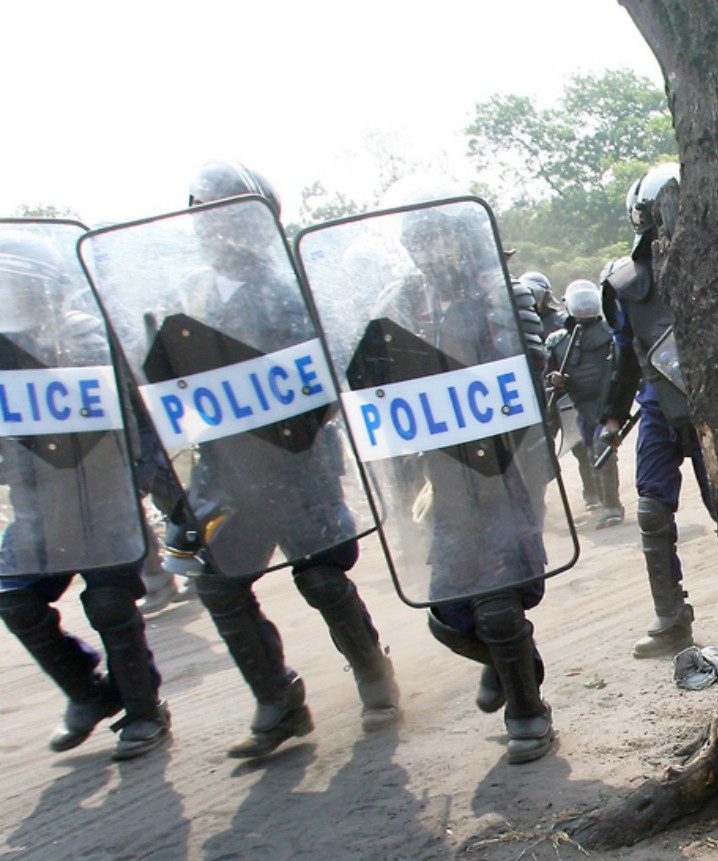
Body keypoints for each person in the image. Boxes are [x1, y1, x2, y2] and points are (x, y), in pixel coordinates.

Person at [161, 162, 400, 758]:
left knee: (321, 576)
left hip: (299, 466)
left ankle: (375, 675)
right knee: (218, 584)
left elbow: (327, 373)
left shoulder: (291, 290)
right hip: (228, 472)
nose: (215, 232)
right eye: (205, 220)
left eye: (228, 219)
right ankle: (278, 701)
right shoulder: (190, 295)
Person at [366, 182, 558, 764]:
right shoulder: (400, 298)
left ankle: (530, 712)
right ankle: (517, 663)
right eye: (422, 239)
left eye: (443, 237)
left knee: (497, 604)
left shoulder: (502, 293)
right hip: (442, 478)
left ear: (464, 239)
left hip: (503, 469)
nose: (434, 250)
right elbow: (374, 374)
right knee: (448, 617)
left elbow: (529, 364)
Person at [0, 226, 172, 759]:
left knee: (109, 602)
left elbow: (135, 415)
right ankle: (87, 691)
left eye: (19, 284)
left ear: (47, 287)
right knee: (13, 596)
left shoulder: (87, 337)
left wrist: (143, 479)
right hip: (37, 510)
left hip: (102, 504)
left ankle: (145, 712)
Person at [599, 162, 713, 657]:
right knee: (651, 512)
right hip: (657, 409)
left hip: (715, 408)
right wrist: (610, 414)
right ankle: (671, 618)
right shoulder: (627, 284)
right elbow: (625, 354)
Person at [546, 279, 622, 529]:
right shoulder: (558, 342)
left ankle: (612, 506)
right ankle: (601, 501)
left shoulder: (612, 335)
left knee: (603, 449)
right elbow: (548, 376)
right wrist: (555, 379)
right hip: (581, 407)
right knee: (588, 454)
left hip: (607, 404)